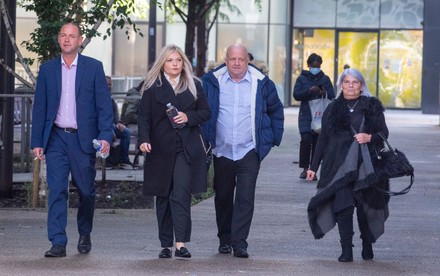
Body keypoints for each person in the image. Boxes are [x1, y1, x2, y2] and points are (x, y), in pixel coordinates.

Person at [31, 21, 114, 257]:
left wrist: (105, 136)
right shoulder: (47, 70)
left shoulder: (93, 68)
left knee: (86, 191)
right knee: (57, 189)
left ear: (80, 40)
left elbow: (104, 107)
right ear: (59, 39)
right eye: (63, 35)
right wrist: (37, 141)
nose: (67, 39)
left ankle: (84, 232)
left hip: (84, 140)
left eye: (72, 36)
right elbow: (40, 108)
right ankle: (58, 242)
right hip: (56, 138)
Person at [201, 44, 284, 258]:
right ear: (226, 60)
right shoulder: (212, 81)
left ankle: (240, 243)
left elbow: (276, 111)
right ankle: (225, 239)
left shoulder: (262, 84)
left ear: (248, 60)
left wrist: (271, 140)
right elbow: (200, 110)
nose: (237, 63)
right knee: (224, 196)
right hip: (222, 150)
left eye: (241, 59)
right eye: (233, 59)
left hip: (249, 150)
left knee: (245, 197)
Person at [306, 68, 390, 262]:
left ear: (361, 85)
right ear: (341, 85)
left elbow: (384, 133)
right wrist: (312, 166)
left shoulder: (371, 106)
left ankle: (367, 244)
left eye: (355, 82)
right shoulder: (333, 108)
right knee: (343, 206)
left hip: (366, 166)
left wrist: (369, 137)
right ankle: (346, 249)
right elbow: (323, 139)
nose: (350, 86)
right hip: (339, 166)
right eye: (346, 82)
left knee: (364, 208)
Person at [137, 44, 211, 259]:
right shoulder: (152, 86)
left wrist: (189, 117)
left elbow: (206, 112)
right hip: (159, 149)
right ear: (162, 63)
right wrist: (144, 140)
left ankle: (181, 243)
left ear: (184, 63)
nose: (175, 64)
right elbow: (144, 117)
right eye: (170, 60)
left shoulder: (194, 85)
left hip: (185, 149)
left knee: (180, 195)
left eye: (178, 60)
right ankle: (165, 244)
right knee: (163, 197)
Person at [293, 53, 335, 180]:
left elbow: (332, 95)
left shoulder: (325, 79)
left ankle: (313, 169)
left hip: (321, 114)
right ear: (309, 65)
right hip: (306, 113)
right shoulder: (302, 78)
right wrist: (309, 91)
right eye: (313, 66)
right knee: (306, 139)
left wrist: (324, 92)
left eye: (318, 66)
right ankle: (305, 168)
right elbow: (296, 95)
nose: (315, 68)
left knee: (318, 143)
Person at [105, 76, 132, 169]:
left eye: (110, 84)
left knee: (126, 132)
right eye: (107, 84)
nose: (109, 86)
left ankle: (124, 160)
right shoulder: (96, 97)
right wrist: (110, 127)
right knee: (109, 133)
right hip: (101, 127)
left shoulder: (111, 98)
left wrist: (119, 123)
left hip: (111, 125)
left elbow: (115, 113)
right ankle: (108, 161)